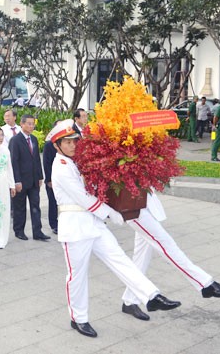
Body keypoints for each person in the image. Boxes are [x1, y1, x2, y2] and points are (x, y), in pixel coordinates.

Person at [49, 119, 181, 338]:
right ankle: (78, 318)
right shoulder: (61, 167)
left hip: (93, 223)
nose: (73, 145)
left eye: (74, 141)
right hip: (74, 227)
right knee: (77, 275)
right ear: (57, 145)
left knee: (120, 259)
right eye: (67, 142)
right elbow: (82, 197)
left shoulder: (76, 163)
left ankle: (151, 296)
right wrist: (110, 212)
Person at [120, 191, 220, 321]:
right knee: (167, 246)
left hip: (143, 201)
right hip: (132, 207)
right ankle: (205, 284)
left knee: (141, 257)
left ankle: (129, 301)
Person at [9, 114, 49, 241]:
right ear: (22, 124)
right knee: (19, 207)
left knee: (35, 205)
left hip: (33, 179)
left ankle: (37, 231)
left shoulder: (34, 139)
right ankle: (19, 230)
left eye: (33, 124)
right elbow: (13, 162)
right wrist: (16, 181)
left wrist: (40, 176)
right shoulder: (15, 140)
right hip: (21, 180)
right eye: (29, 123)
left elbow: (37, 159)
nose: (32, 126)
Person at [43, 120, 63, 235]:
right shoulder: (49, 144)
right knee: (53, 202)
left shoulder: (66, 142)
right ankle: (54, 224)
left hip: (64, 178)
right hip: (53, 179)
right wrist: (49, 179)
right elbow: (46, 163)